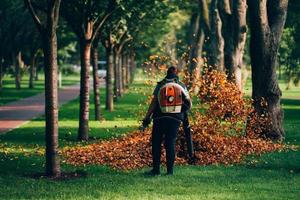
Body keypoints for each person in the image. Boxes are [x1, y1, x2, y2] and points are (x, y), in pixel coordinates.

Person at [142, 66, 192, 175]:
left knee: (156, 142)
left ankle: (156, 170)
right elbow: (188, 103)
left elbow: (154, 102)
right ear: (177, 74)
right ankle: (170, 171)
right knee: (170, 143)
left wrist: (147, 118)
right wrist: (182, 115)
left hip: (160, 117)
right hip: (175, 118)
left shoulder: (161, 84)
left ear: (166, 73)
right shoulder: (181, 85)